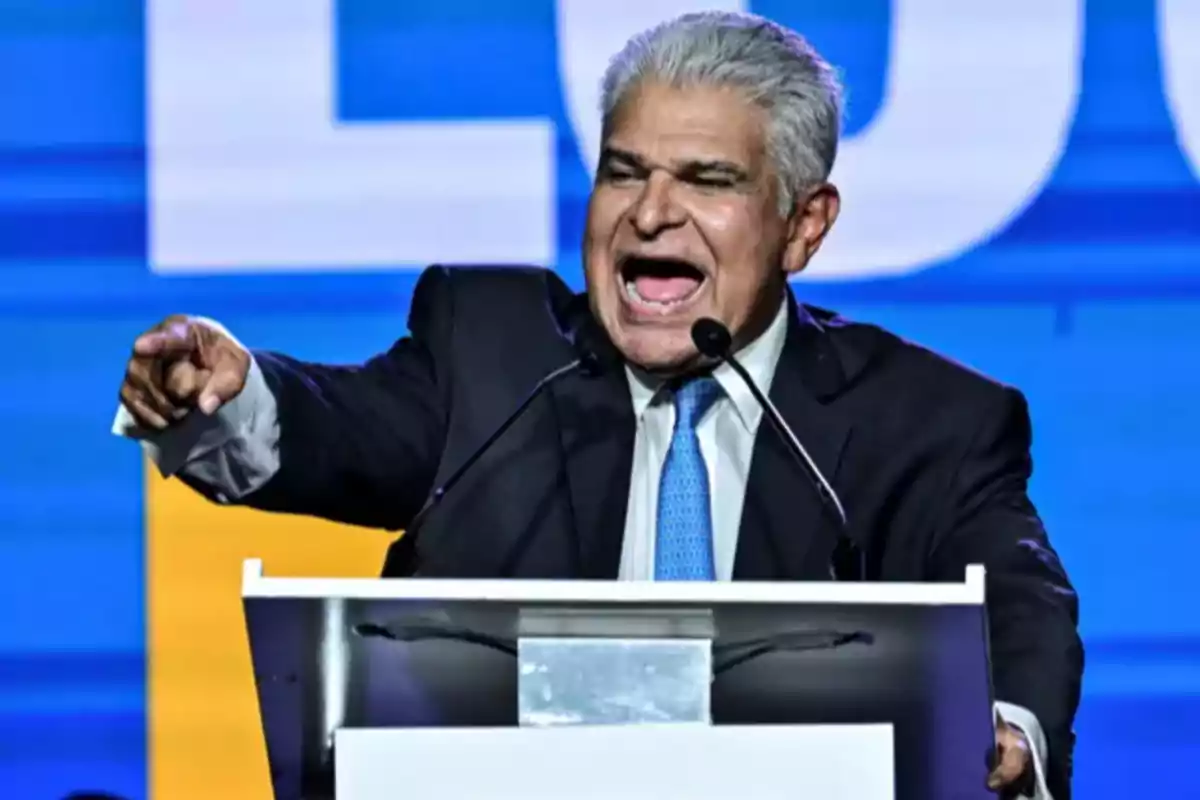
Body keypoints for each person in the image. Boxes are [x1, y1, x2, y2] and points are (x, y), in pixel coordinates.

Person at [114, 11, 1082, 798]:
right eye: (625, 170)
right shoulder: (495, 351)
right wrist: (226, 396)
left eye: (708, 180)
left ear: (804, 225)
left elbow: (1022, 591)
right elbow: (337, 423)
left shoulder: (928, 417)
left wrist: (1007, 722)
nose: (649, 212)